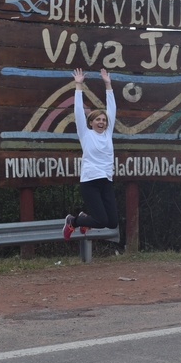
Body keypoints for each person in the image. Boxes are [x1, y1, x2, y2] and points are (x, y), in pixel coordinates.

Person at [63, 68, 119, 239]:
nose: (101, 122)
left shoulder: (108, 133)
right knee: (101, 221)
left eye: (104, 120)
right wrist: (78, 85)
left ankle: (85, 220)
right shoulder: (86, 134)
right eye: (98, 119)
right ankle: (74, 220)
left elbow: (112, 108)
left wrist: (108, 84)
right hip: (90, 182)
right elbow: (78, 111)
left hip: (106, 181)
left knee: (112, 222)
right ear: (91, 122)